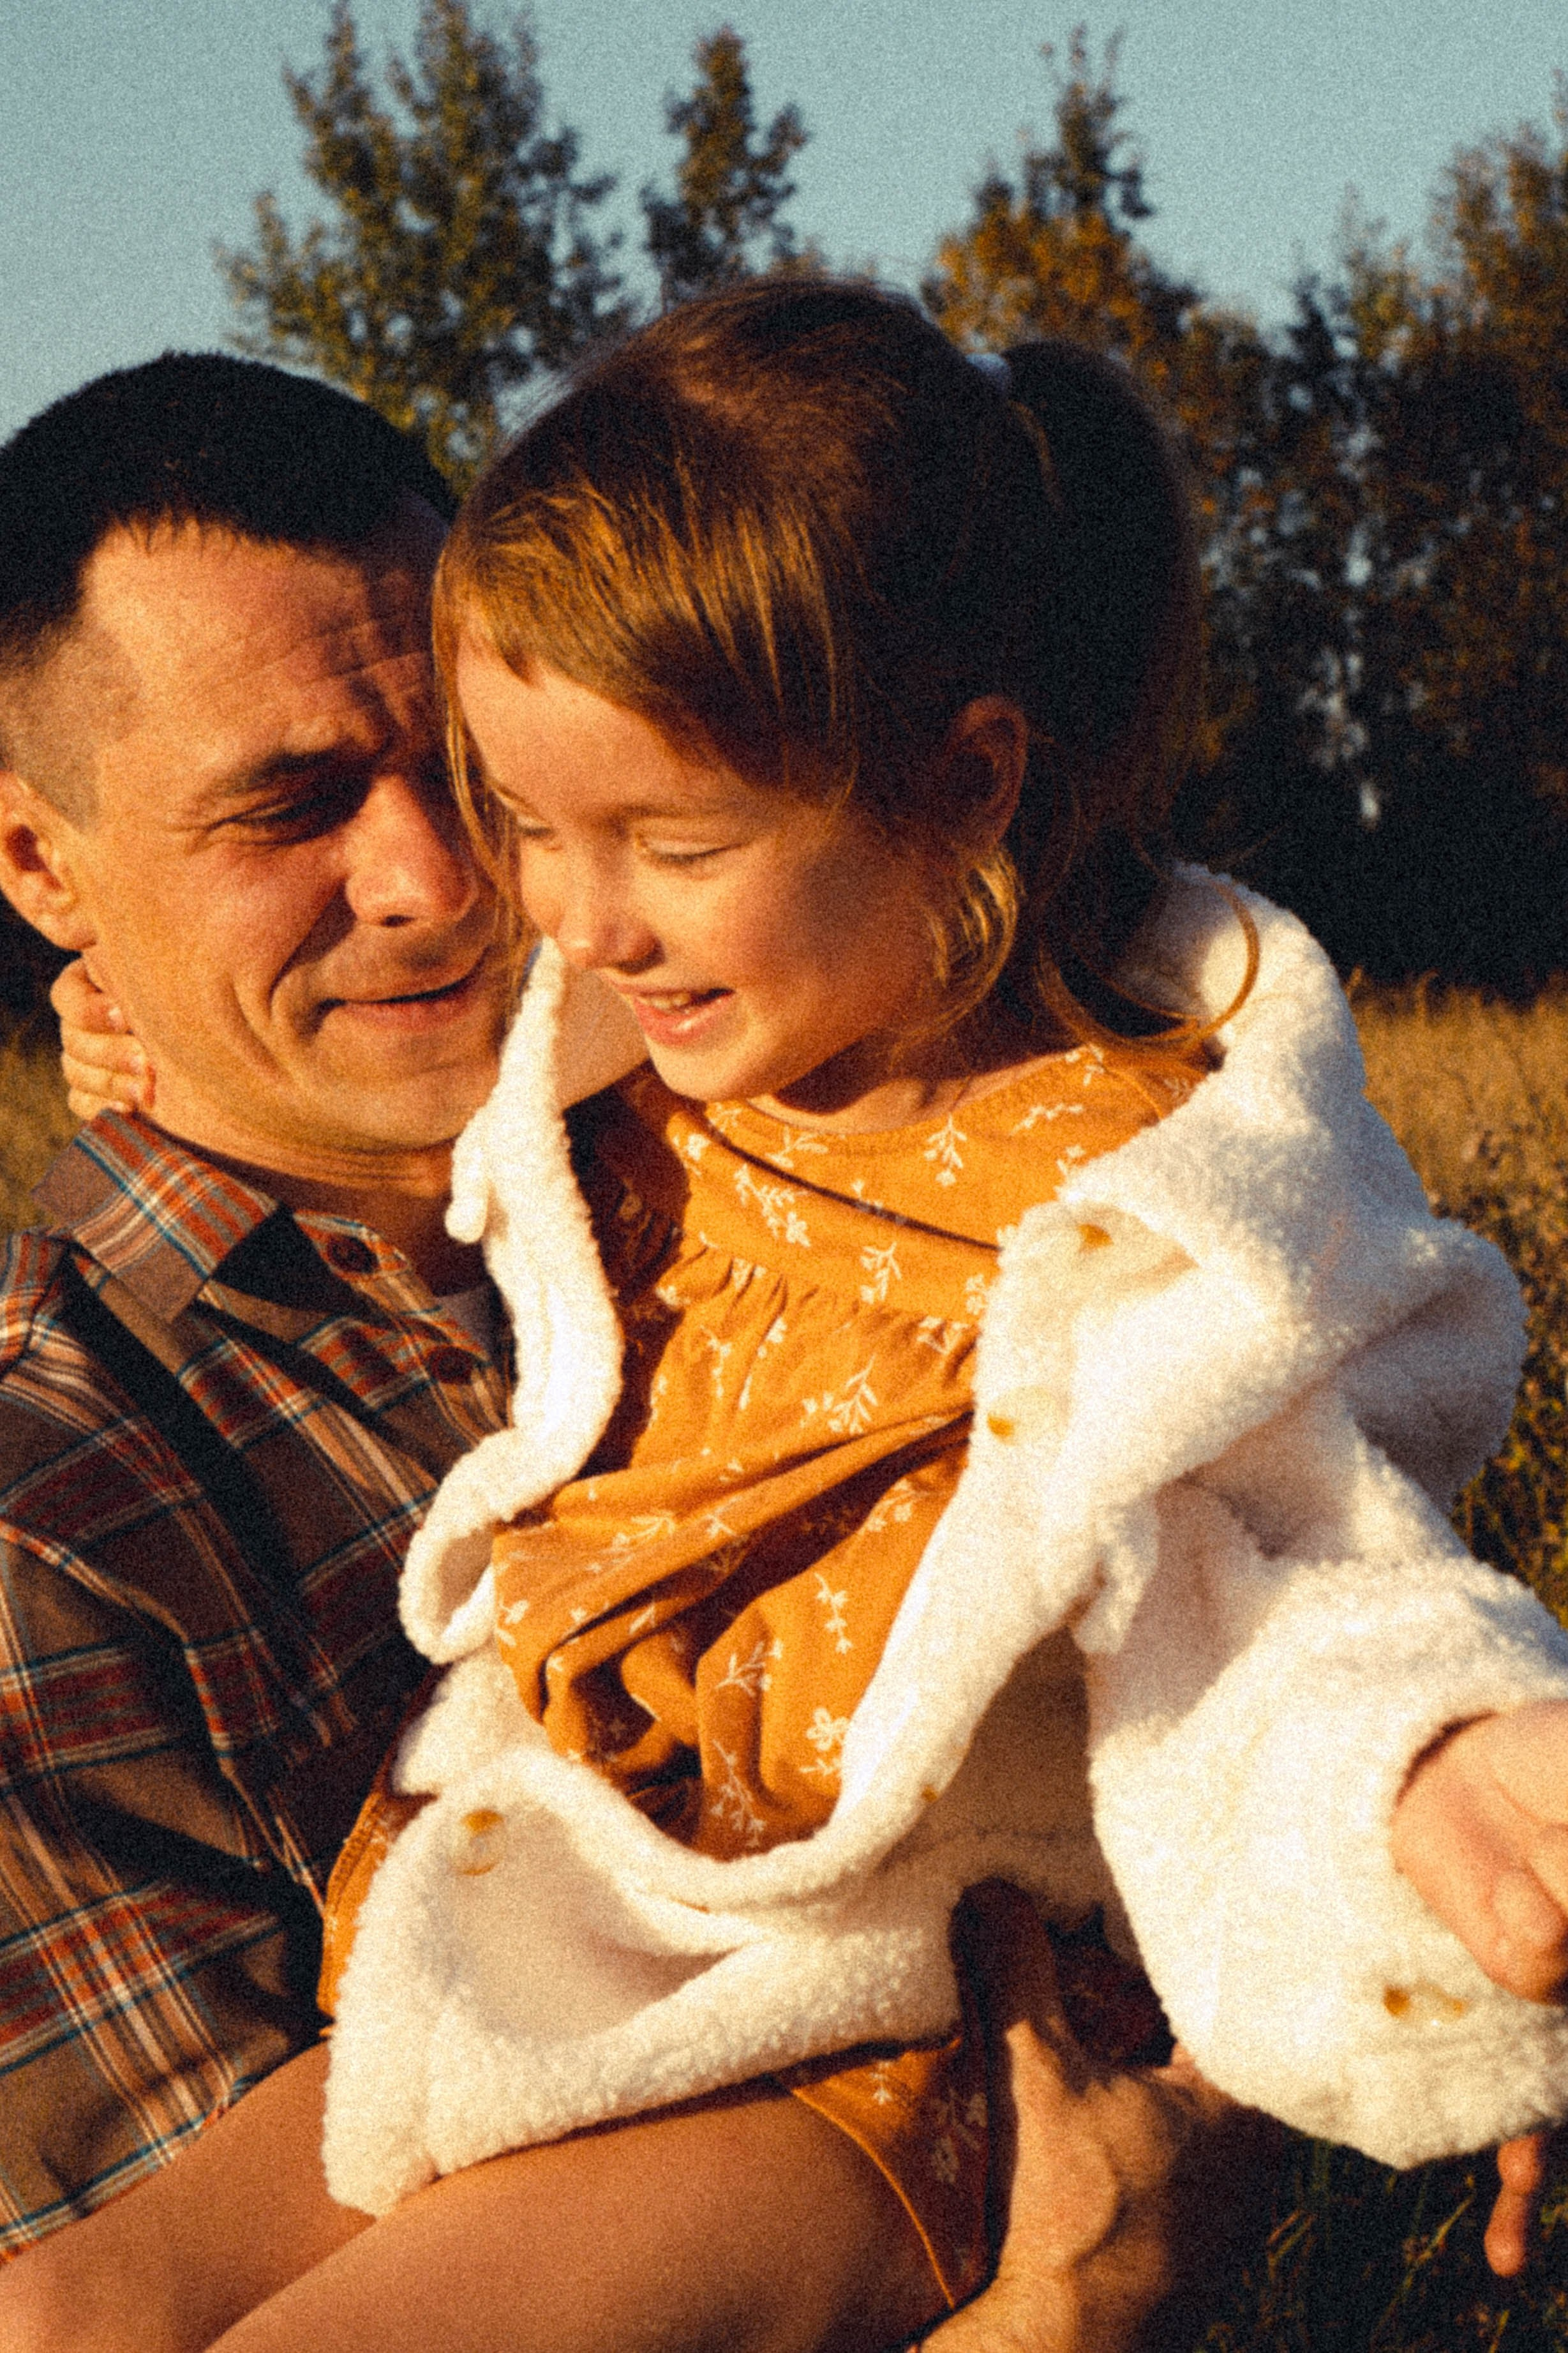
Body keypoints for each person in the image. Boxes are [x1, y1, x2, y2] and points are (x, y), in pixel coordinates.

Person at [27, 278, 1568, 2353]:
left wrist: (1444, 1787)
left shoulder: (995, 1157)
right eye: (287, 809)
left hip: (878, 1995)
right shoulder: (57, 1503)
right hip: (577, 1950)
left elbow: (1285, 1562)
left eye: (477, 793)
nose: (467, 889)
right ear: (45, 868)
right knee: (71, 2313)